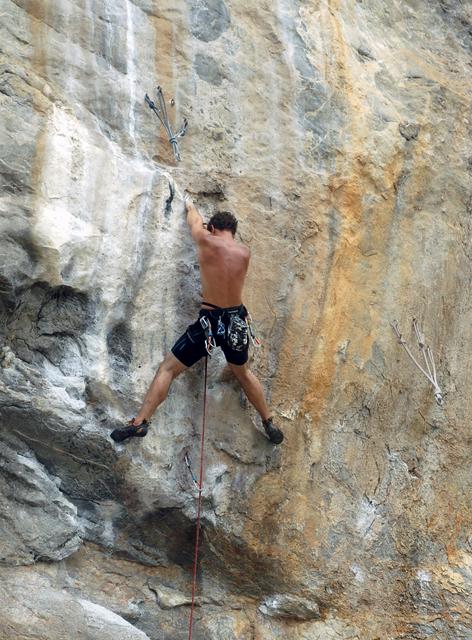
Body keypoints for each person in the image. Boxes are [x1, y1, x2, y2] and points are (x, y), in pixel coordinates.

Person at [110, 196, 283, 445]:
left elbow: (195, 222)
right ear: (232, 232)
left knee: (168, 369)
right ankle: (268, 421)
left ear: (213, 228)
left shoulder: (205, 240)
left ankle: (139, 422)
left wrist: (191, 207)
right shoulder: (245, 253)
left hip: (210, 323)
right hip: (236, 322)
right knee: (243, 372)